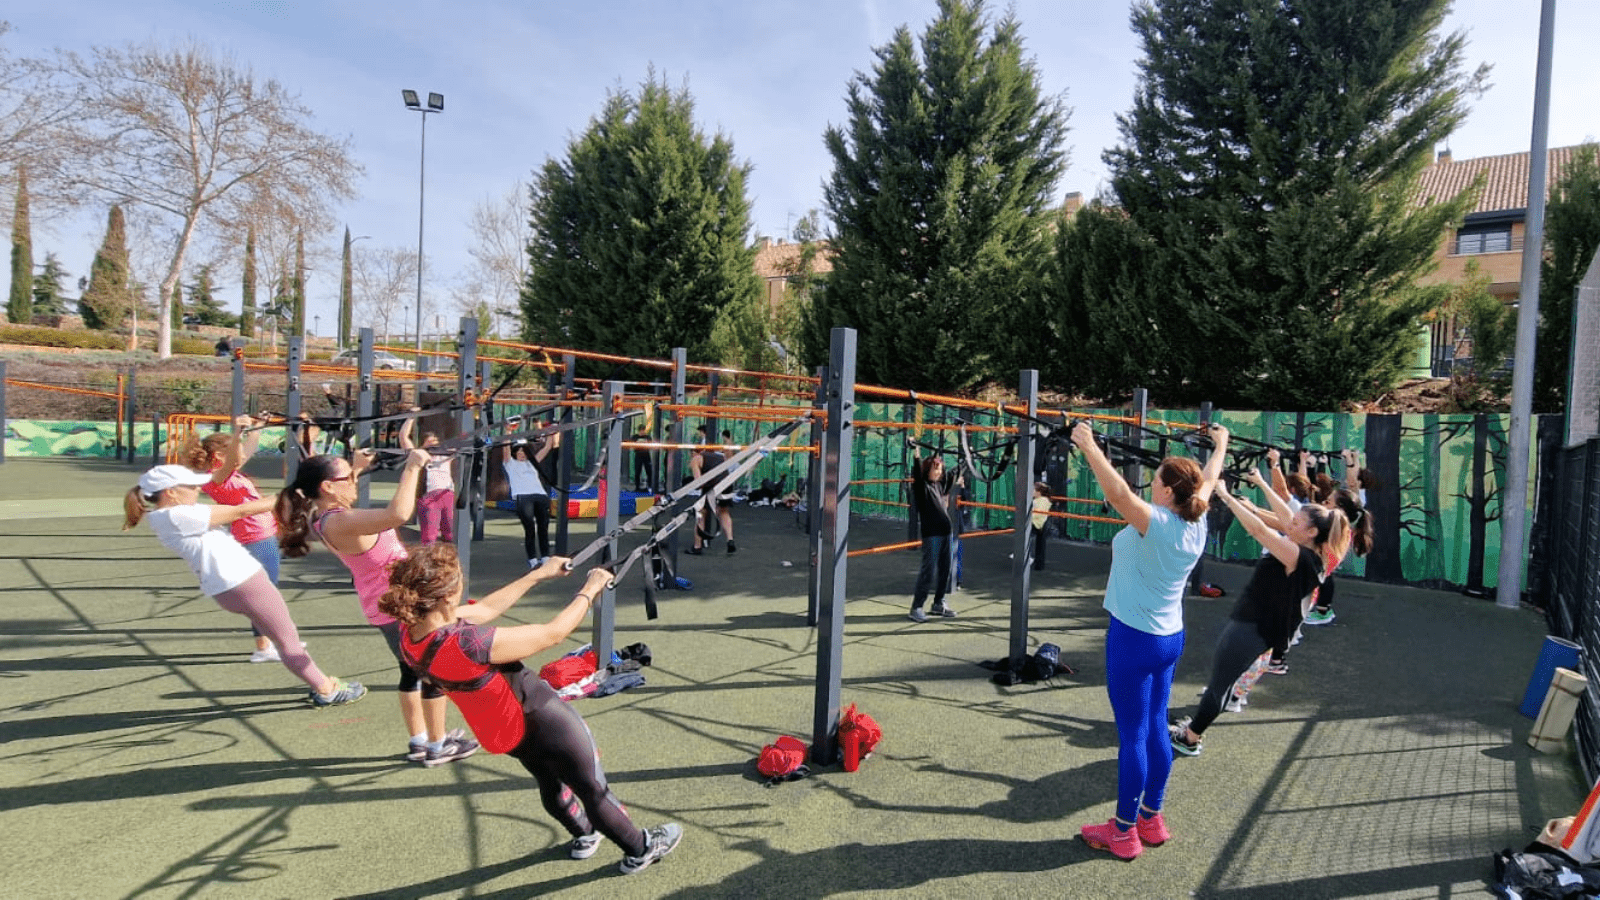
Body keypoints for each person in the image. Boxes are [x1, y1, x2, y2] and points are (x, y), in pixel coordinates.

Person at [381, 543, 684, 874]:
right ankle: (640, 848)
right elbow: (552, 634)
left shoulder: (412, 633)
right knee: (593, 789)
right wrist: (589, 589)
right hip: (543, 718)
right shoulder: (466, 645)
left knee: (549, 781)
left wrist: (538, 575)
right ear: (443, 599)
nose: (462, 589)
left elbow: (482, 610)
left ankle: (585, 835)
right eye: (458, 585)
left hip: (506, 730)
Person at [1070, 421, 1227, 861]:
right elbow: (1210, 478)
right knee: (1156, 726)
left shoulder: (1158, 523)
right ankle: (1151, 818)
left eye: (1156, 480)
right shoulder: (1195, 519)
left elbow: (1119, 495)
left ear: (1165, 492)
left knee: (1134, 736)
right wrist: (1222, 444)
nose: (1150, 484)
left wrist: (1089, 446)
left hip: (1134, 640)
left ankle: (1122, 830)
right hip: (1168, 638)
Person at [275, 450, 479, 767]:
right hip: (399, 607)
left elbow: (348, 491)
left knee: (410, 673)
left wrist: (354, 469)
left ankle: (419, 741)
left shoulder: (329, 515)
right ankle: (438, 746)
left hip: (389, 605)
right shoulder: (340, 521)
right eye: (347, 478)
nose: (354, 483)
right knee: (431, 672)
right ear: (328, 486)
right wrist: (413, 467)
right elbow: (398, 514)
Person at [123, 464, 365, 708]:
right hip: (243, 584)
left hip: (233, 587)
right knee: (288, 640)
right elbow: (241, 511)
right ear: (171, 492)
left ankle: (321, 683)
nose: (198, 488)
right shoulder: (177, 516)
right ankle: (326, 689)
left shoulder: (171, 514)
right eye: (191, 485)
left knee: (282, 639)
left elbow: (234, 506)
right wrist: (294, 492)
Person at [1169, 482, 1350, 759]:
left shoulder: (1297, 555)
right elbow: (1284, 517)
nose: (1290, 523)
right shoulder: (1311, 552)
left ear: (1312, 532)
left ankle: (1191, 737)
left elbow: (1257, 530)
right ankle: (1193, 732)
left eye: (1298, 522)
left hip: (1251, 629)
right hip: (1259, 628)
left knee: (1220, 685)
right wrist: (1260, 491)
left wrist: (1228, 497)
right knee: (1224, 683)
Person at [182, 414, 285, 662]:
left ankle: (270, 642)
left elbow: (245, 452)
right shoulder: (215, 478)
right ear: (219, 457)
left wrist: (257, 428)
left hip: (262, 536)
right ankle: (264, 647)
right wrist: (238, 432)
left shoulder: (229, 473)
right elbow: (235, 458)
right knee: (263, 596)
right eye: (231, 453)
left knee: (266, 593)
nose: (240, 458)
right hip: (255, 539)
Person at [907, 453, 963, 622]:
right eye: (935, 470)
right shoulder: (921, 487)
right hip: (932, 535)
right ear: (927, 470)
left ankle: (938, 603)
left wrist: (964, 458)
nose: (938, 473)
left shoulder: (939, 485)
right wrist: (916, 456)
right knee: (928, 572)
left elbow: (953, 475)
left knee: (945, 570)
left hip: (946, 533)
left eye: (940, 470)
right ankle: (916, 607)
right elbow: (917, 475)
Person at [502, 423, 558, 568]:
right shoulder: (510, 463)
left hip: (539, 495)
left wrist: (551, 433)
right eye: (519, 451)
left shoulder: (532, 462)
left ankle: (545, 556)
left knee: (543, 528)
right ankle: (533, 559)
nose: (521, 454)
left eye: (524, 451)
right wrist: (508, 431)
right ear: (515, 453)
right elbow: (505, 448)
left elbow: (547, 447)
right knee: (530, 529)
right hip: (523, 497)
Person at [400, 407, 457, 545]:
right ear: (423, 444)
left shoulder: (446, 455)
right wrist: (412, 416)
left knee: (450, 534)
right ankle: (429, 562)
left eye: (435, 441)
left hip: (447, 494)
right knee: (429, 537)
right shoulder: (419, 455)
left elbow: (465, 441)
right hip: (429, 498)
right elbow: (403, 437)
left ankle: (448, 560)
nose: (433, 444)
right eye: (429, 442)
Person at [687, 428, 736, 555]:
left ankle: (697, 547)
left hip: (713, 486)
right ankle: (730, 540)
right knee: (724, 512)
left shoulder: (696, 459)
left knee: (701, 514)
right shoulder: (719, 456)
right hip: (727, 484)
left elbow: (699, 483)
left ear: (693, 452)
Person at [1029, 480, 1052, 571]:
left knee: (1039, 544)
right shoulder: (1039, 500)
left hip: (1039, 523)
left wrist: (1028, 518)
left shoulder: (1042, 500)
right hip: (1038, 523)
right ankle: (1038, 564)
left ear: (1039, 492)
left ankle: (1033, 561)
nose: (1032, 492)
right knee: (1040, 545)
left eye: (1034, 490)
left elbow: (1038, 513)